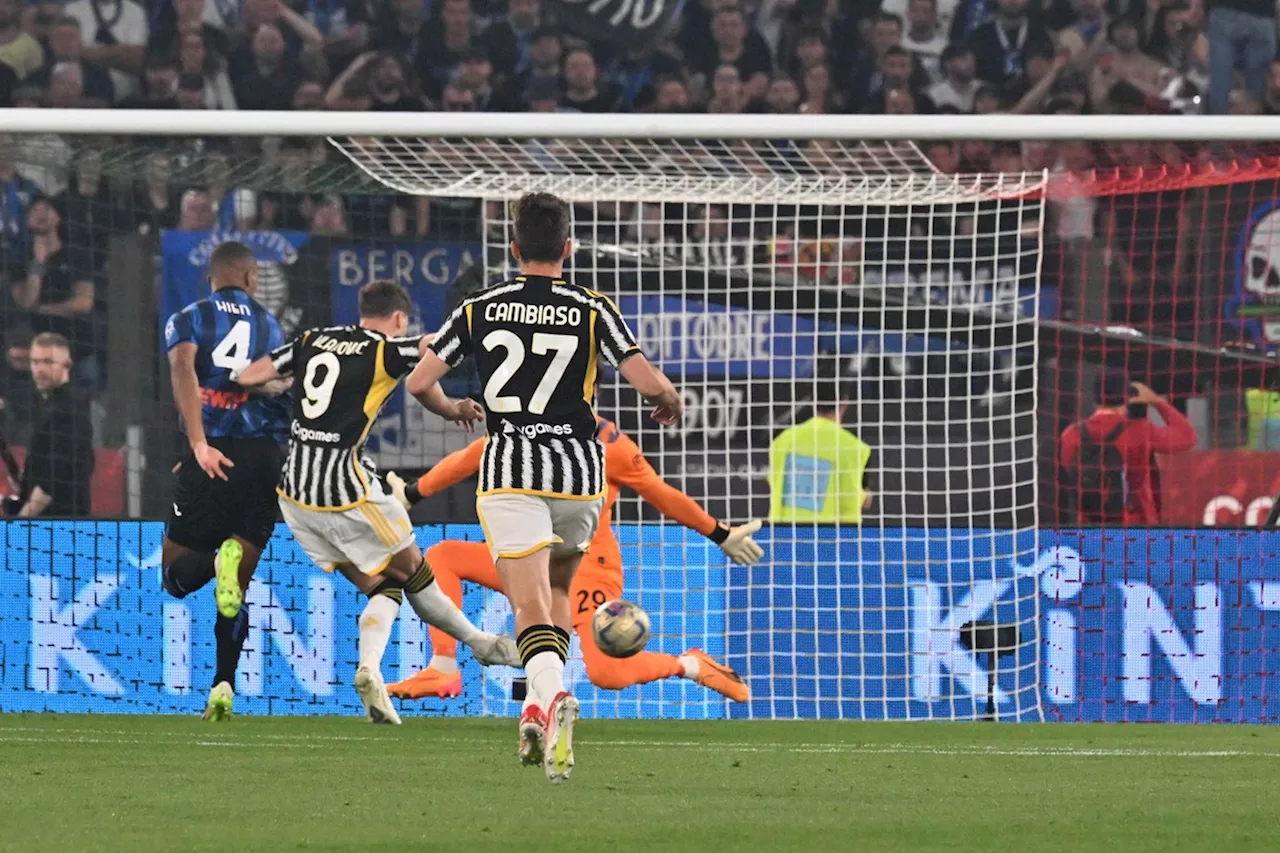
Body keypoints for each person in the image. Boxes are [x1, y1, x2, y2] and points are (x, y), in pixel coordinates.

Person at [403, 191, 683, 783]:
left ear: (513, 248)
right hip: (581, 475)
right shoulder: (591, 306)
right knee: (556, 593)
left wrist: (451, 406)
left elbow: (420, 380)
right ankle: (535, 704)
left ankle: (551, 697)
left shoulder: (481, 307)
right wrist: (668, 399)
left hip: (512, 470)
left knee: (526, 604)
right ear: (569, 248)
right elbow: (644, 379)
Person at [233, 279, 521, 726]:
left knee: (383, 585)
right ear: (399, 318)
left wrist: (287, 394)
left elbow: (247, 376)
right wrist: (453, 408)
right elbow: (432, 350)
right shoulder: (387, 349)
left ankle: (370, 670)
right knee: (416, 574)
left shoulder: (311, 341)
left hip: (294, 494)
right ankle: (484, 645)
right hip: (344, 489)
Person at [382, 416, 762, 702]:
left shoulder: (610, 444)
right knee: (444, 556)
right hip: (527, 554)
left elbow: (660, 493)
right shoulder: (522, 424)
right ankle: (443, 668)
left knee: (608, 674)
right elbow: (474, 456)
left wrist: (720, 533)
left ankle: (690, 665)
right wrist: (414, 493)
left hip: (585, 565)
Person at [161, 240, 293, 721]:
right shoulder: (271, 325)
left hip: (211, 453)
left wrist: (197, 444)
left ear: (210, 277)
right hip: (261, 460)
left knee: (176, 579)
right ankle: (223, 684)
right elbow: (275, 386)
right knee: (236, 583)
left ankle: (218, 563)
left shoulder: (189, 317)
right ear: (252, 279)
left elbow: (182, 369)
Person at [1058, 374, 1197, 526]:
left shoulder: (1070, 434)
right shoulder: (1140, 430)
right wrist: (1156, 401)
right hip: (1135, 526)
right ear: (1127, 398)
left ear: (1095, 398)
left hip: (1090, 527)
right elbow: (1187, 437)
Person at [768, 379, 874, 524]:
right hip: (830, 541)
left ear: (811, 400)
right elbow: (851, 500)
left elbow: (775, 482)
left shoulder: (782, 441)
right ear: (844, 402)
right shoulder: (856, 449)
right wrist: (864, 497)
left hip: (783, 537)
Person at [12, 332, 94, 517]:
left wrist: (21, 523)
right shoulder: (47, 405)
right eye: (35, 362)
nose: (39, 369)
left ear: (67, 365)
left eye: (48, 362)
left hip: (61, 526)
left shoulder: (69, 410)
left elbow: (53, 481)